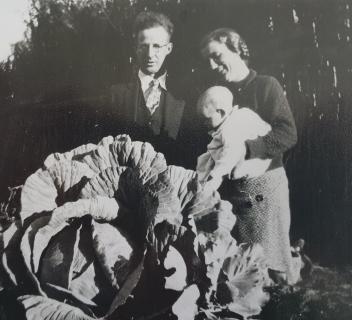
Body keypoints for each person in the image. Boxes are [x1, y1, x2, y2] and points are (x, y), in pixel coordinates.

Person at [200, 28, 298, 283]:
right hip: (234, 190)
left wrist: (247, 148)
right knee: (241, 262)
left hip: (266, 188)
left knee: (270, 255)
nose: (212, 65)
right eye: (207, 61)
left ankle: (285, 284)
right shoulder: (216, 94)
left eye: (217, 55)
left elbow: (288, 134)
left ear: (236, 48)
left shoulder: (266, 86)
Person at [106, 11, 186, 164]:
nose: (150, 54)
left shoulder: (183, 96)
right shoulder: (116, 94)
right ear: (135, 48)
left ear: (168, 49)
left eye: (157, 46)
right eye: (143, 46)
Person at [196, 86, 272, 194]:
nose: (204, 124)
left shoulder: (230, 128)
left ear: (221, 112)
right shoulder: (243, 113)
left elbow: (230, 153)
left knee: (215, 164)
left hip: (251, 173)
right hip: (257, 162)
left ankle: (202, 190)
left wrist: (215, 174)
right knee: (210, 157)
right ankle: (201, 184)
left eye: (207, 119)